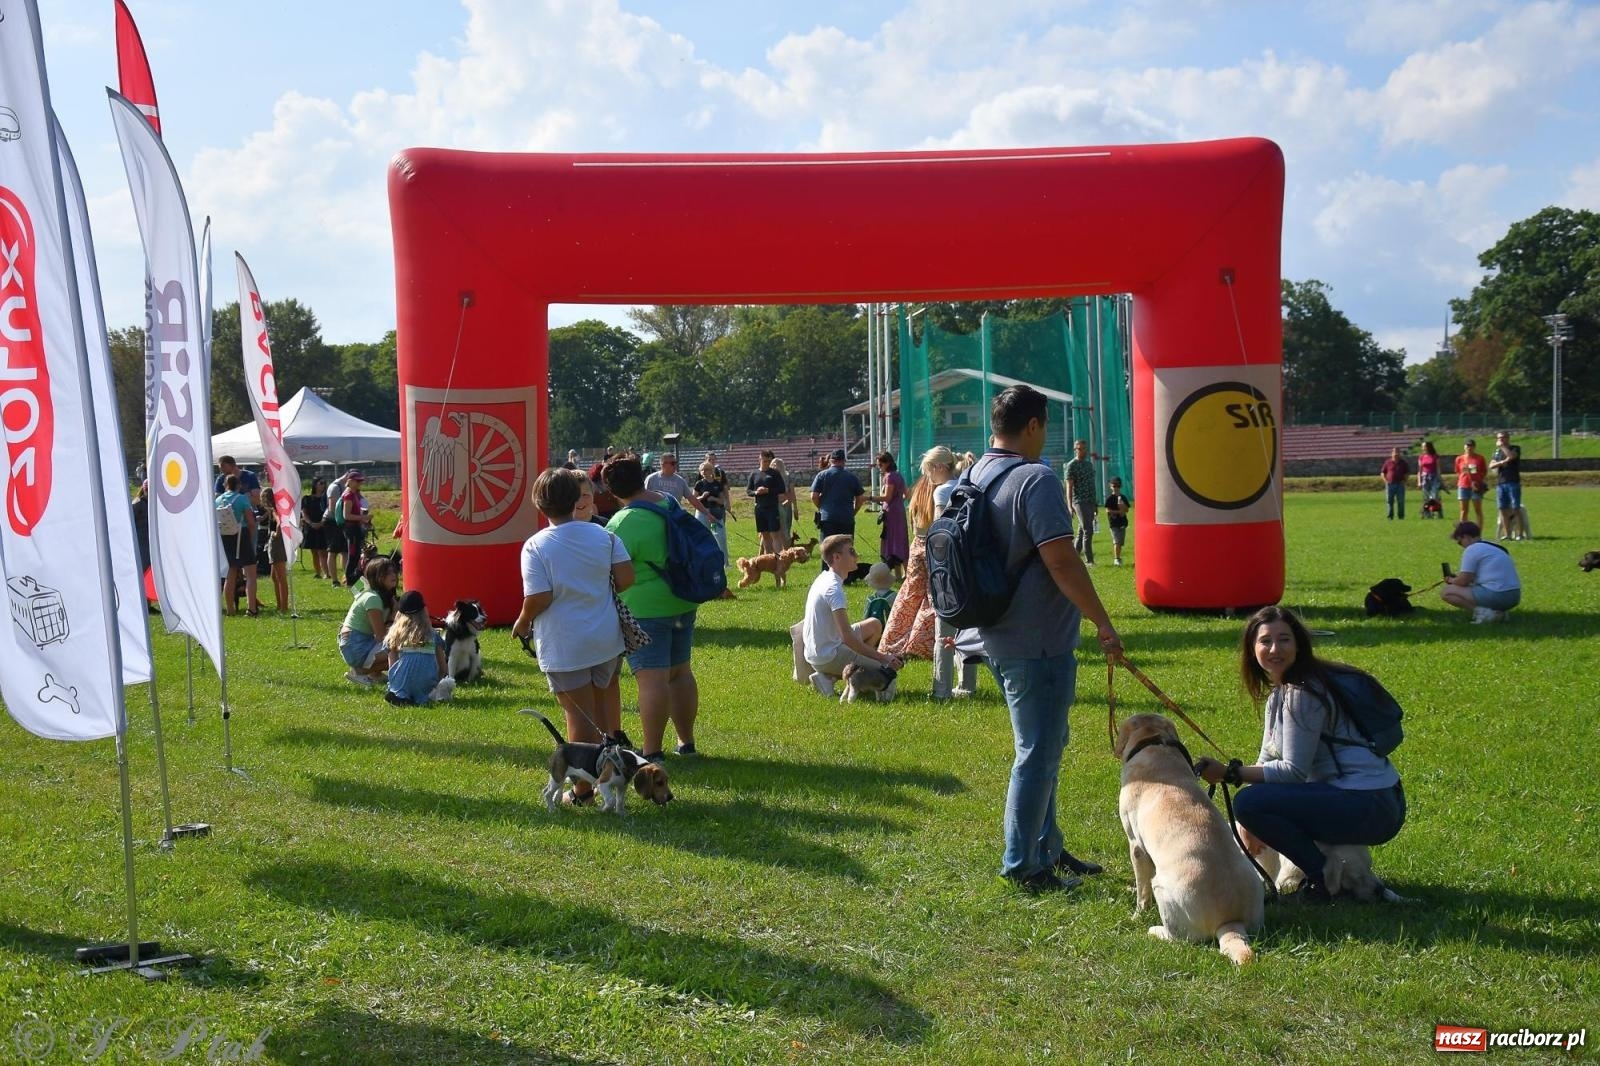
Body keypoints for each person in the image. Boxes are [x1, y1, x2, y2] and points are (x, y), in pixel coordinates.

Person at [969, 385, 1123, 893]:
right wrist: (1102, 620)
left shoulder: (977, 472)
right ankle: (1023, 865)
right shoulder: (1035, 478)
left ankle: (1047, 847)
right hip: (1037, 639)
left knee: (1047, 744)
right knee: (1037, 752)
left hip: (995, 629)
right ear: (1034, 426)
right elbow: (1061, 558)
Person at [1193, 606, 1406, 904]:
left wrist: (1231, 774)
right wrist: (1250, 823)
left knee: (1248, 802)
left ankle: (1323, 877)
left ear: (1299, 645)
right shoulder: (1280, 694)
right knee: (1251, 805)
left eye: (1284, 640)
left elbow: (1292, 771)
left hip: (1372, 804)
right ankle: (1328, 874)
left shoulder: (1302, 694)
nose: (1275, 648)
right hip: (1369, 798)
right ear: (1252, 649)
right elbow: (1268, 762)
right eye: (1265, 641)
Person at [514, 467, 633, 801]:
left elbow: (539, 596)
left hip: (566, 644)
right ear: (576, 499)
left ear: (539, 503)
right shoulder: (605, 535)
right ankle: (614, 775)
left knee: (579, 720)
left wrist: (522, 623)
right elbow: (625, 579)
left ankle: (582, 790)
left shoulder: (536, 545)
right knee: (607, 714)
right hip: (606, 638)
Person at [605, 455, 700, 762]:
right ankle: (686, 743)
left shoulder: (622, 522)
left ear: (613, 491)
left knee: (651, 679)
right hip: (683, 598)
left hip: (646, 608)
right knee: (681, 672)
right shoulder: (669, 501)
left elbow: (611, 570)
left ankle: (653, 752)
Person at [795, 535, 902, 697]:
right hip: (827, 655)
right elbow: (848, 638)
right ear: (837, 557)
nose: (856, 555)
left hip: (820, 648)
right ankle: (829, 677)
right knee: (885, 670)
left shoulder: (824, 577)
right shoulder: (833, 589)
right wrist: (883, 657)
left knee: (874, 625)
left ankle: (833, 676)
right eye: (851, 552)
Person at [881, 445, 956, 665]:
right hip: (934, 547)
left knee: (908, 596)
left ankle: (892, 641)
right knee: (933, 597)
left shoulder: (921, 489)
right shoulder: (944, 491)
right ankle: (920, 644)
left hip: (917, 545)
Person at [1440, 521, 1521, 623]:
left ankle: (1485, 614)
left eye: (1460, 542)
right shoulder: (1494, 546)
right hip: (1514, 595)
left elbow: (1463, 581)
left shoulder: (1472, 549)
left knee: (1447, 592)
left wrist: (1451, 580)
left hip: (1498, 594)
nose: (1461, 546)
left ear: (1466, 537)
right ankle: (1499, 613)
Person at [384, 589, 455, 705]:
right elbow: (443, 668)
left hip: (401, 682)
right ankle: (425, 696)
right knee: (428, 691)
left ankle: (400, 694)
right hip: (427, 684)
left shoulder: (394, 635)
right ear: (424, 610)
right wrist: (436, 681)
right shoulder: (433, 635)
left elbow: (392, 666)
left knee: (399, 686)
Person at [339, 557, 398, 685]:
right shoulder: (373, 598)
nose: (393, 575)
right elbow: (382, 636)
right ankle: (360, 671)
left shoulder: (382, 596)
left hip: (359, 641)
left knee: (400, 646)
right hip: (355, 645)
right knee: (400, 650)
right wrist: (393, 615)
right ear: (376, 577)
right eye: (387, 573)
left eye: (394, 571)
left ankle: (374, 673)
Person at [810, 448, 865, 567]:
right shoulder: (852, 477)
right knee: (846, 548)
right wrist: (854, 511)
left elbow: (814, 496)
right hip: (846, 517)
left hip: (828, 517)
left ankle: (827, 573)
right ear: (844, 461)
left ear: (831, 461)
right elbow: (860, 498)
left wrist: (822, 507)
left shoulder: (822, 475)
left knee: (828, 548)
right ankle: (846, 574)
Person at [215, 473, 259, 617]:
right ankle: (251, 608)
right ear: (239, 485)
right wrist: (251, 538)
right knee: (251, 574)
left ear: (225, 485)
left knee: (230, 574)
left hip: (225, 538)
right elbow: (251, 522)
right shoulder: (241, 499)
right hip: (242, 534)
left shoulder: (218, 500)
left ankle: (230, 609)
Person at [871, 452, 909, 579]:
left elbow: (887, 497)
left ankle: (898, 574)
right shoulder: (898, 475)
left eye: (880, 464)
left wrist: (869, 497)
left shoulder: (889, 477)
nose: (879, 467)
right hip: (899, 511)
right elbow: (906, 494)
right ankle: (905, 573)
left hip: (892, 514)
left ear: (887, 463)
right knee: (901, 540)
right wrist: (898, 502)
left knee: (892, 541)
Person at [645, 452, 711, 521]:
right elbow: (643, 498)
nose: (675, 465)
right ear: (663, 464)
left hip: (674, 519)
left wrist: (707, 514)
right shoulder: (651, 479)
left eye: (676, 463)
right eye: (673, 463)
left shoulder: (680, 481)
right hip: (655, 517)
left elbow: (692, 499)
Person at [747, 449, 788, 557]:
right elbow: (748, 491)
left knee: (775, 534)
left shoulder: (775, 473)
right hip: (760, 508)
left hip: (772, 507)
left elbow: (781, 489)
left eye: (769, 461)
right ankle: (768, 558)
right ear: (759, 460)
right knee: (764, 535)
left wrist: (768, 490)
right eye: (764, 461)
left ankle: (779, 558)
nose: (767, 463)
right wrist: (756, 492)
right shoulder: (754, 474)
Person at [1063, 438, 1097, 564]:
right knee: (1088, 529)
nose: (1082, 451)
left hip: (1089, 500)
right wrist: (1069, 505)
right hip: (1079, 501)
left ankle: (1074, 557)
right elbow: (1069, 486)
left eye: (1083, 448)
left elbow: (1092, 484)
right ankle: (1089, 560)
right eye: (1079, 449)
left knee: (1082, 530)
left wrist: (1095, 503)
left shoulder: (1089, 465)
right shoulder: (1071, 465)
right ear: (1075, 450)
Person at [693, 456, 730, 564]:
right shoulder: (699, 484)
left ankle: (725, 562)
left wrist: (714, 498)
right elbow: (692, 500)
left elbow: (722, 501)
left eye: (707, 469)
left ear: (711, 471)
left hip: (715, 512)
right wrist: (702, 497)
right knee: (701, 535)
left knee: (721, 536)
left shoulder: (717, 484)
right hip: (701, 512)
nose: (704, 472)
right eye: (702, 470)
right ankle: (701, 559)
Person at [1490, 430, 1524, 540]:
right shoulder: (1496, 452)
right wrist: (1501, 462)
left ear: (1508, 438)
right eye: (1499, 438)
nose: (1501, 440)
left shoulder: (1515, 448)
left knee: (1515, 508)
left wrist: (1503, 448)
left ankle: (1520, 534)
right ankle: (1507, 534)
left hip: (1513, 482)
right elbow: (1491, 465)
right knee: (1503, 509)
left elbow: (1511, 456)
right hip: (1501, 483)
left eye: (1503, 438)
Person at [339, 471, 372, 587]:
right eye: (357, 481)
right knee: (353, 556)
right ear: (350, 481)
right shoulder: (348, 495)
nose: (360, 483)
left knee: (356, 556)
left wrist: (363, 519)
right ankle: (350, 582)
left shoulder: (354, 494)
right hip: (351, 530)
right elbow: (346, 515)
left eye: (360, 481)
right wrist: (363, 517)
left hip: (355, 528)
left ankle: (354, 581)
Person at [302, 477, 331, 579]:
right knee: (314, 552)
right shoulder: (307, 498)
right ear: (315, 485)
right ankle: (317, 572)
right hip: (311, 527)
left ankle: (327, 573)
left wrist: (322, 523)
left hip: (324, 527)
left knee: (323, 551)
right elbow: (304, 513)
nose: (323, 485)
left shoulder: (327, 498)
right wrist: (311, 523)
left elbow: (329, 511)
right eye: (321, 483)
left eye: (324, 483)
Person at [1455, 439, 1486, 528]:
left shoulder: (1480, 458)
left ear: (1474, 447)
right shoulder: (1459, 459)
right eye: (1467, 445)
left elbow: (1484, 471)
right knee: (1464, 510)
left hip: (1476, 486)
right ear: (1464, 447)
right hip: (1463, 485)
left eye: (1471, 446)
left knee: (1478, 509)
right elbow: (1458, 471)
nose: (1469, 447)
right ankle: (1463, 530)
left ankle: (1479, 531)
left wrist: (1478, 480)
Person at [769, 457, 797, 544]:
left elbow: (791, 493)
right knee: (775, 531)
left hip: (784, 506)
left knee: (784, 531)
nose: (775, 467)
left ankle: (785, 552)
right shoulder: (769, 477)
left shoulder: (787, 477)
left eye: (777, 465)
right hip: (775, 506)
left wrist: (794, 508)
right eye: (774, 465)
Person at [1103, 476, 1131, 566]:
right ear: (1110, 486)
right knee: (1117, 541)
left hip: (1122, 522)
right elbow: (1107, 510)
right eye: (1114, 486)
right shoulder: (1110, 498)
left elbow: (1127, 510)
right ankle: (1116, 559)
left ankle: (1118, 557)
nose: (1116, 488)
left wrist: (1122, 506)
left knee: (1120, 542)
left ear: (1120, 486)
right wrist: (1118, 512)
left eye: (1117, 486)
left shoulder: (1123, 497)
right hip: (1114, 523)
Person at [1380, 447, 1409, 520]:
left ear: (1400, 453)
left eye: (1398, 452)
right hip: (1390, 484)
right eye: (1395, 452)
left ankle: (1401, 517)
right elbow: (1383, 473)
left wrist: (1404, 481)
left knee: (1400, 501)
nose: (1396, 454)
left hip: (1400, 484)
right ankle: (1390, 516)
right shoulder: (1388, 462)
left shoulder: (1403, 463)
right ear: (1392, 453)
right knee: (1389, 501)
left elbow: (1407, 473)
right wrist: (1385, 481)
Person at [863, 562, 896, 626]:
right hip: (890, 630)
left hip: (874, 631)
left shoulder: (870, 599)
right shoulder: (894, 596)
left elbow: (865, 617)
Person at [1416, 441, 1442, 518]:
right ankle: (1428, 515)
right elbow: (1419, 470)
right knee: (1426, 497)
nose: (1423, 448)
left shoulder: (1435, 456)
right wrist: (1419, 481)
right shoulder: (1421, 457)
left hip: (1433, 477)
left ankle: (1437, 512)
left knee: (1434, 497)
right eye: (1422, 446)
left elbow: (1438, 468)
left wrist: (1439, 479)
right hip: (1425, 478)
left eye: (1424, 446)